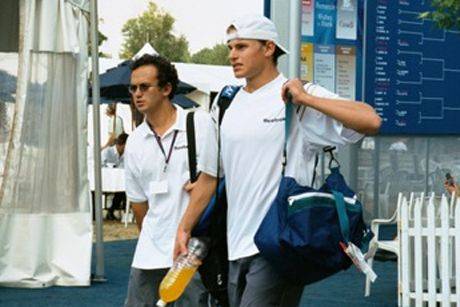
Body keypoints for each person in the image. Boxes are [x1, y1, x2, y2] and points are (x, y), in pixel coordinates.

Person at [175, 14, 382, 307]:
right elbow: (211, 177)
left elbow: (370, 120)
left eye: (242, 47)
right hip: (234, 245)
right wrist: (184, 228)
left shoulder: (294, 94)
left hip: (279, 243)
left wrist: (307, 98)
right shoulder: (225, 101)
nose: (232, 55)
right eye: (231, 47)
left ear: (269, 47)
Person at [123, 54, 214, 307]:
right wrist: (154, 236)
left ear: (166, 88)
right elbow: (139, 203)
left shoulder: (198, 123)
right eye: (133, 88)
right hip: (148, 253)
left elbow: (217, 178)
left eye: (144, 86)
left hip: (192, 251)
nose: (137, 94)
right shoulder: (135, 141)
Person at [102, 133, 128, 220]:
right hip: (105, 179)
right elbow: (100, 165)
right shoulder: (107, 152)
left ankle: (112, 210)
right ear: (123, 145)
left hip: (117, 180)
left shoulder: (126, 155)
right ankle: (96, 212)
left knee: (123, 188)